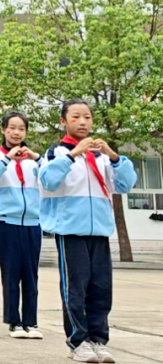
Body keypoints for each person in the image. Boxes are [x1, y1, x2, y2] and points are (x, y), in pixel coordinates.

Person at [40, 99, 136, 363]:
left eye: (87, 117)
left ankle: (98, 340)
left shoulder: (102, 156)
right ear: (63, 121)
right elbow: (48, 181)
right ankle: (78, 341)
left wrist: (113, 156)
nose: (83, 122)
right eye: (76, 117)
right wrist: (73, 155)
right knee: (76, 288)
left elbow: (126, 184)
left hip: (99, 231)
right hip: (70, 230)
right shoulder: (56, 153)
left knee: (100, 289)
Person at [0, 111, 44, 339]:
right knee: (11, 272)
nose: (17, 133)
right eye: (12, 128)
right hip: (6, 221)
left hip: (33, 222)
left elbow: (50, 179)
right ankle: (14, 322)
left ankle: (31, 322)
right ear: (3, 130)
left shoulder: (34, 160)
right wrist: (8, 158)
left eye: (21, 129)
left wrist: (37, 158)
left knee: (31, 275)